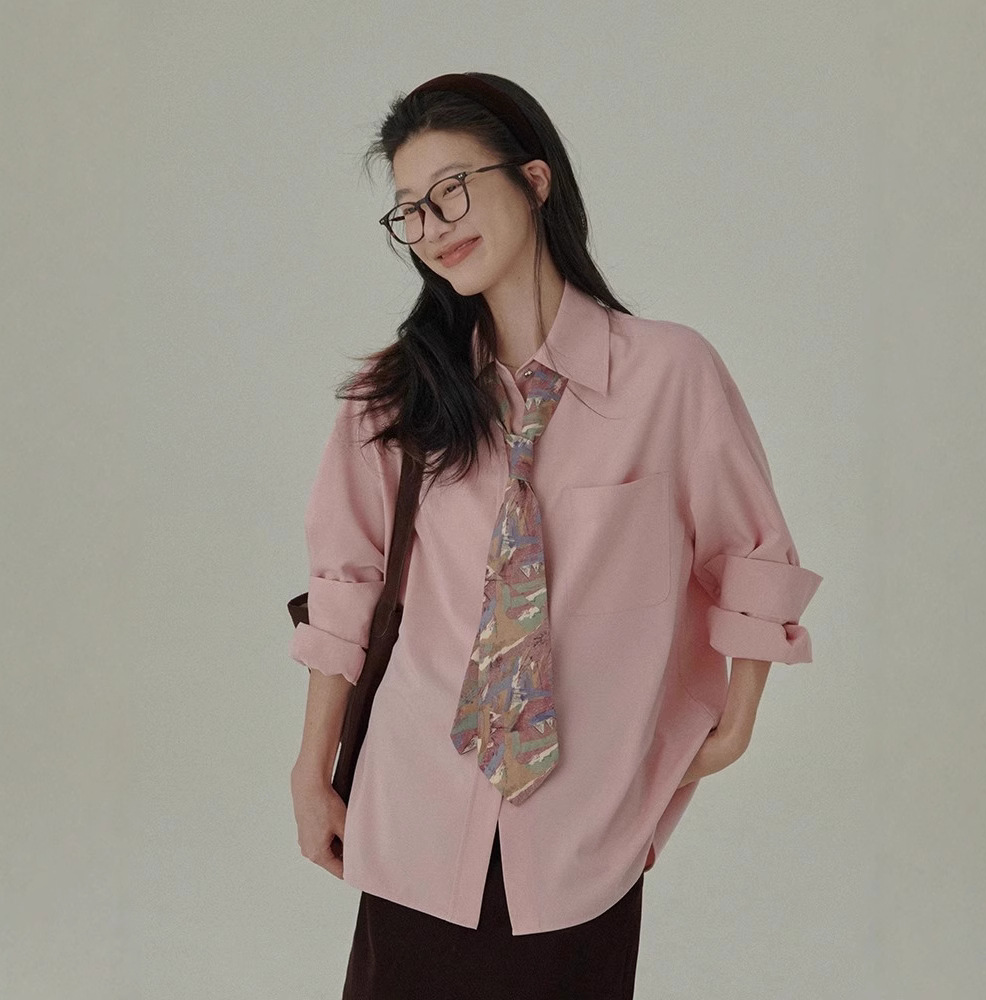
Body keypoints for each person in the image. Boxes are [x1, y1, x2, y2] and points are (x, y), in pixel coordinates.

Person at [287, 71, 823, 1000]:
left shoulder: (670, 373)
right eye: (410, 210)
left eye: (452, 189)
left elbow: (749, 550)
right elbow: (347, 589)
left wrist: (737, 721)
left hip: (585, 830)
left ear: (534, 179)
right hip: (416, 814)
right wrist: (311, 768)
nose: (433, 225)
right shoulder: (394, 397)